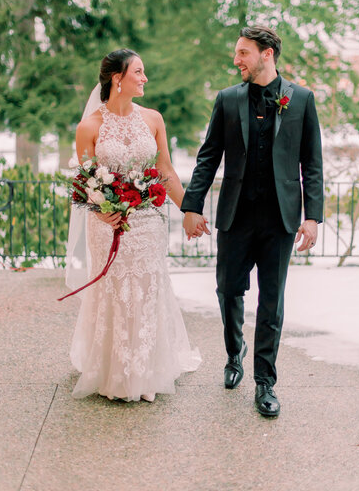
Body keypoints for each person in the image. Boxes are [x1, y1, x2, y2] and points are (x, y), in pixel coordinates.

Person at [181, 25, 323, 417]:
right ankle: (234, 351)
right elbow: (208, 156)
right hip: (235, 216)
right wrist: (192, 206)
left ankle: (265, 382)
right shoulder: (227, 100)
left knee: (271, 301)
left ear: (267, 54)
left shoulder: (302, 99)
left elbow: (311, 163)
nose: (236, 60)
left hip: (280, 219)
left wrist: (312, 217)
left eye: (243, 53)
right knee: (228, 290)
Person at [66, 48, 201, 403]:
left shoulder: (153, 119)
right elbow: (85, 182)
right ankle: (114, 369)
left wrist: (189, 210)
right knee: (114, 290)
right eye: (138, 72)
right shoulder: (89, 127)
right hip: (107, 224)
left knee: (147, 287)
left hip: (147, 224)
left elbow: (166, 171)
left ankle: (146, 367)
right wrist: (100, 211)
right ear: (118, 79)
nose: (144, 79)